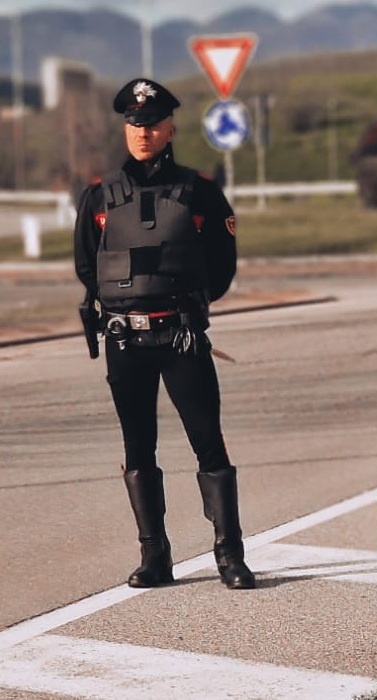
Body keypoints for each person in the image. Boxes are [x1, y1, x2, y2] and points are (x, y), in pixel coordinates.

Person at [73, 78, 255, 590]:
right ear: (125, 129)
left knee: (208, 445)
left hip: (181, 339)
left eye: (152, 124)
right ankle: (155, 557)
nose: (143, 132)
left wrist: (185, 307)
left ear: (171, 127)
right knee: (138, 449)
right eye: (134, 125)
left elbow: (222, 266)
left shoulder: (201, 192)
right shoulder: (99, 196)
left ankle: (229, 554)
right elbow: (89, 266)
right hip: (125, 341)